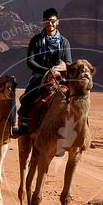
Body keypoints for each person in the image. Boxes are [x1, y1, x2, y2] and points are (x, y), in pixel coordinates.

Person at [14, 7, 72, 136]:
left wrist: (62, 67)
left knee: (77, 98)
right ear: (43, 22)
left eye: (52, 21)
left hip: (60, 76)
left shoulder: (64, 42)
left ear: (57, 22)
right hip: (40, 75)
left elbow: (68, 62)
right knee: (26, 98)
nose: (49, 24)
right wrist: (47, 70)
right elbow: (30, 61)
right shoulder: (35, 40)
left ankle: (83, 130)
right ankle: (24, 125)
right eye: (46, 21)